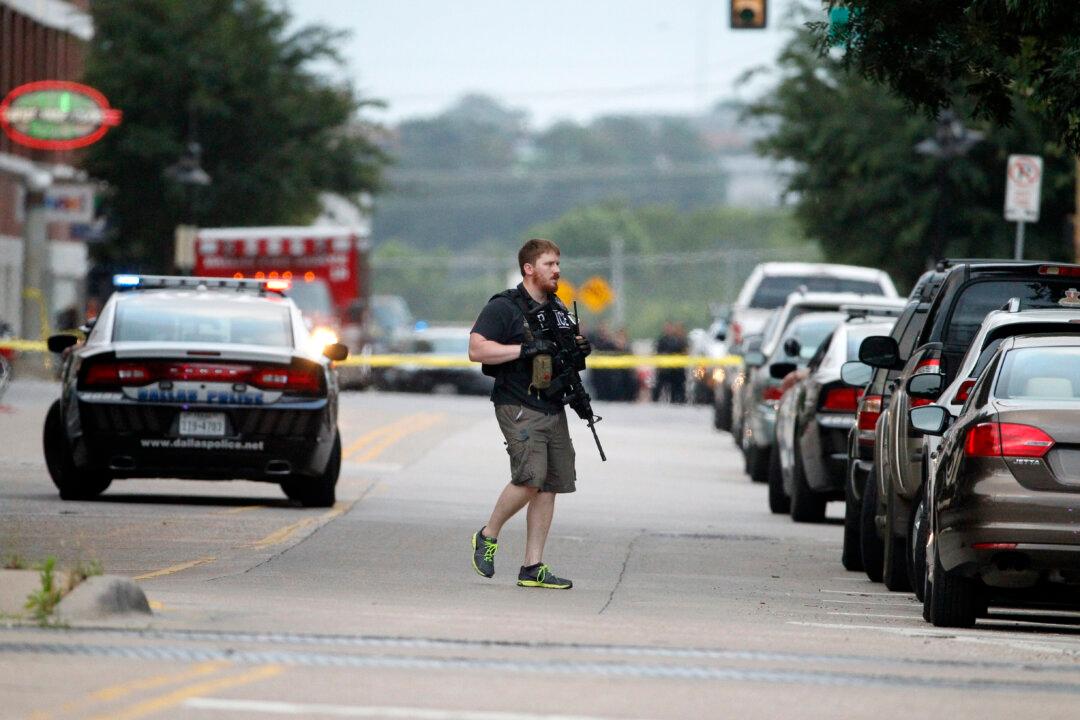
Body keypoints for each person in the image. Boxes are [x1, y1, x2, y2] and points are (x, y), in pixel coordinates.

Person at [467, 238, 591, 590]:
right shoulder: (504, 307)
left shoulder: (558, 309)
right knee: (530, 477)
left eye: (558, 264)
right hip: (518, 403)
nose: (557, 271)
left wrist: (580, 350)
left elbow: (562, 355)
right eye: (550, 264)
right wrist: (524, 349)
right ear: (529, 268)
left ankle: (532, 566)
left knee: (549, 484)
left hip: (552, 404)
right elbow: (476, 350)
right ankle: (488, 534)